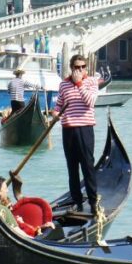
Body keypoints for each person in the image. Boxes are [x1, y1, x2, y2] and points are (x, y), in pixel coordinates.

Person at [51, 55, 99, 212]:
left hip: (85, 128)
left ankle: (93, 202)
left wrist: (79, 84)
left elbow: (90, 102)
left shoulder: (91, 82)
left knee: (88, 166)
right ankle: (77, 202)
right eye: (77, 67)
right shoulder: (63, 84)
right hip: (68, 129)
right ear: (71, 68)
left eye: (83, 67)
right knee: (72, 168)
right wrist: (54, 114)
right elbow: (58, 105)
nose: (80, 70)